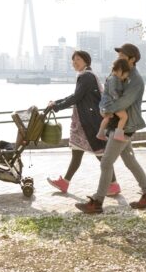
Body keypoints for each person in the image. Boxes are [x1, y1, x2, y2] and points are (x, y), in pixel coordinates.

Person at [75, 43, 146, 214]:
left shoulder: (136, 80)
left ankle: (97, 202)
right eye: (118, 55)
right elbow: (106, 93)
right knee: (130, 161)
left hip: (125, 126)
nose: (118, 58)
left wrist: (106, 109)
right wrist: (103, 108)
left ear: (132, 59)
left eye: (122, 55)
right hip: (116, 123)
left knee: (106, 162)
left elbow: (123, 103)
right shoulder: (117, 72)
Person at [46, 50, 121, 197]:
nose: (75, 62)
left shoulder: (86, 77)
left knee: (101, 155)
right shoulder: (85, 76)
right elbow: (76, 96)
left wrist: (57, 106)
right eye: (73, 60)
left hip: (90, 122)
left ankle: (113, 185)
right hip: (85, 121)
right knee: (77, 152)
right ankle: (65, 182)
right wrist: (56, 103)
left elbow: (76, 97)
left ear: (86, 61)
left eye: (78, 59)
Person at [96, 58, 130, 141]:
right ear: (119, 70)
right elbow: (113, 92)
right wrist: (119, 102)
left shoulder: (113, 78)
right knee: (124, 117)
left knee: (107, 118)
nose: (126, 76)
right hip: (110, 103)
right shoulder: (113, 79)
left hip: (106, 103)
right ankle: (118, 135)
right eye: (125, 73)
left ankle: (100, 134)